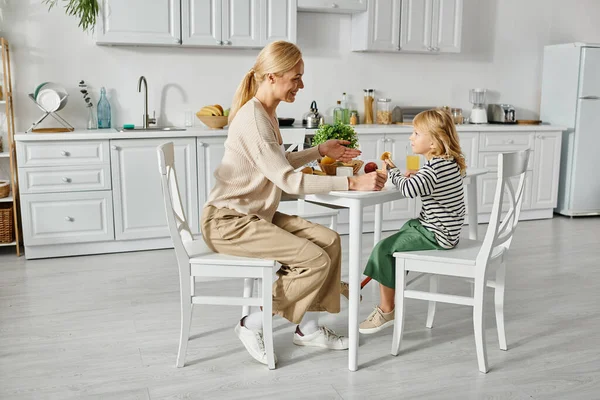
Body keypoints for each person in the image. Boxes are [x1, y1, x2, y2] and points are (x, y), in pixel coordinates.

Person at [201, 40, 387, 366]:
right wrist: (351, 182)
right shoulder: (254, 119)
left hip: (256, 215)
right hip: (228, 222)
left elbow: (279, 162)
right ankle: (253, 323)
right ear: (272, 76)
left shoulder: (267, 114)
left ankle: (309, 329)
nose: (301, 85)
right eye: (295, 78)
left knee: (328, 241)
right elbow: (287, 180)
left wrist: (319, 150)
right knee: (313, 260)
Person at [359, 109, 467, 334]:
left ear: (435, 141)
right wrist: (418, 173)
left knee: (382, 248)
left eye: (416, 133)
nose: (411, 138)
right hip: (446, 231)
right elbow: (430, 181)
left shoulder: (435, 168)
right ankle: (392, 277)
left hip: (437, 234)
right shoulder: (447, 163)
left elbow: (409, 189)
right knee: (405, 229)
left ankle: (386, 309)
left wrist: (393, 171)